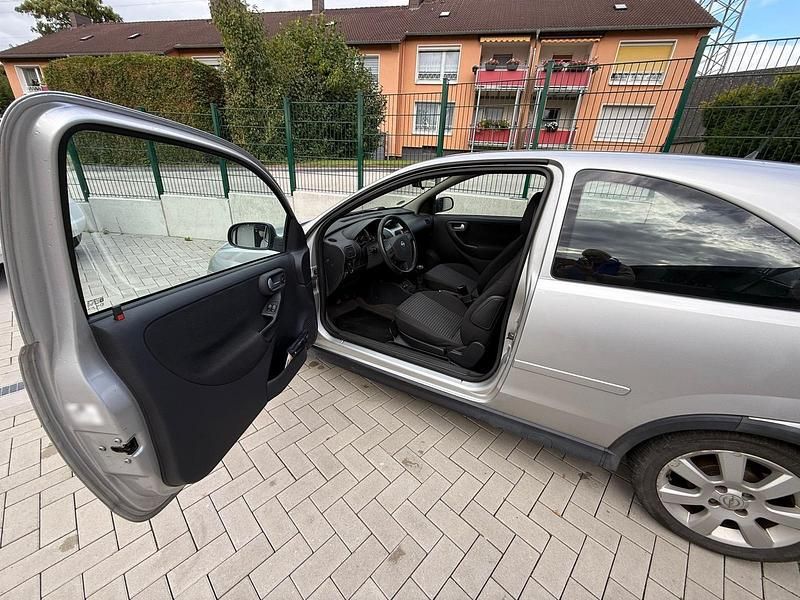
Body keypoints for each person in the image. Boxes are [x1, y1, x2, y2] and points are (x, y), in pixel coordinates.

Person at [557, 248, 635, 285]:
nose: (591, 258)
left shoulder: (620, 267)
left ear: (605, 257)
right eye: (588, 256)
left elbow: (629, 280)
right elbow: (559, 275)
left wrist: (595, 275)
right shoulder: (580, 265)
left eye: (595, 256)